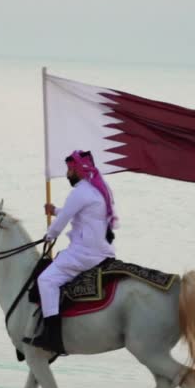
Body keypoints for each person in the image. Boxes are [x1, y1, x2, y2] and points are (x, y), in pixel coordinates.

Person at [31, 150, 117, 354]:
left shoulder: (80, 191)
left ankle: (52, 337)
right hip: (103, 252)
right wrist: (56, 211)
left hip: (84, 254)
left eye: (70, 170)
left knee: (46, 281)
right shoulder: (99, 189)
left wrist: (49, 236)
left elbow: (61, 223)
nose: (68, 174)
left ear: (78, 170)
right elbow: (78, 214)